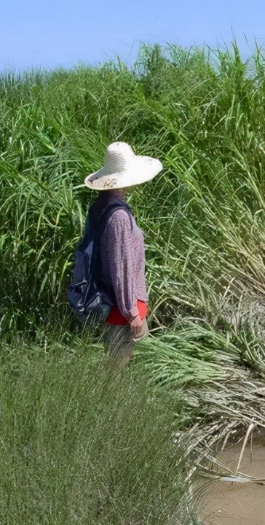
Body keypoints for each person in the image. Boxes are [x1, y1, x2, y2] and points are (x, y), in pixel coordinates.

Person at [83, 141, 162, 365]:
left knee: (122, 369)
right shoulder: (118, 217)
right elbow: (121, 268)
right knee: (125, 372)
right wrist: (132, 313)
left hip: (114, 302)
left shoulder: (99, 206)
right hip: (125, 310)